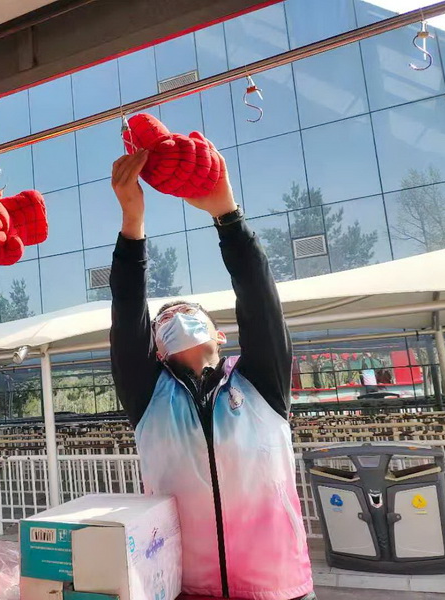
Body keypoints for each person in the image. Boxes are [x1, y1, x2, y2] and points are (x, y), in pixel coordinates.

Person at [109, 148, 314, 600]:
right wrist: (132, 223)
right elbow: (126, 311)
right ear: (156, 348)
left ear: (219, 335)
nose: (177, 318)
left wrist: (227, 216)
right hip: (185, 585)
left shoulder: (260, 384)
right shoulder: (148, 397)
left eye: (189, 312)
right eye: (165, 319)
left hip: (278, 587)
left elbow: (259, 298)